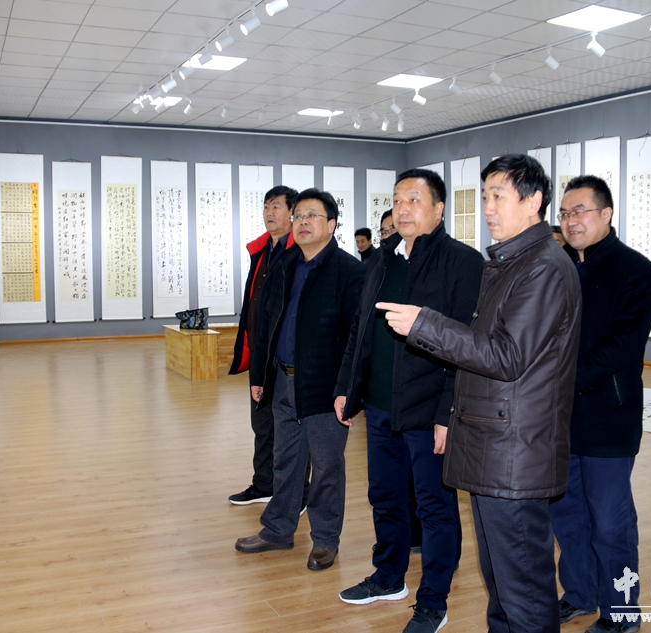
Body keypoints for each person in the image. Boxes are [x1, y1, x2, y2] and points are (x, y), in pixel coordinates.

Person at [379, 154, 581, 633]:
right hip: (498, 445)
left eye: (499, 196)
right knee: (502, 588)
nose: (488, 208)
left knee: (523, 591)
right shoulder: (513, 261)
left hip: (515, 452)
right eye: (485, 195)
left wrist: (426, 325)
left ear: (533, 201)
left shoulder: (542, 268)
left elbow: (506, 357)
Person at [335, 169, 483, 633]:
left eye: (414, 200)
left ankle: (433, 601)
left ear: (439, 209)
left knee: (435, 508)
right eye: (398, 200)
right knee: (385, 496)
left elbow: (466, 344)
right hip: (380, 405)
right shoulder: (382, 259)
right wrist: (346, 387)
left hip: (428, 409)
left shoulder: (462, 262)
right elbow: (360, 329)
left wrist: (448, 414)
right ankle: (388, 577)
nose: (403, 208)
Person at [550, 175, 651, 633]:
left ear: (607, 213)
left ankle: (622, 611)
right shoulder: (560, 268)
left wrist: (559, 381)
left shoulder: (634, 269)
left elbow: (622, 346)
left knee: (611, 524)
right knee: (567, 516)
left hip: (607, 418)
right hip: (559, 421)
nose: (571, 221)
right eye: (565, 213)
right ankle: (580, 595)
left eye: (581, 211)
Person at [236, 189, 365, 571]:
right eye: (299, 216)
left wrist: (347, 390)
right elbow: (267, 324)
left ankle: (325, 540)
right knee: (285, 460)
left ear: (332, 225)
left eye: (313, 215)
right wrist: (260, 374)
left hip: (324, 387)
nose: (303, 222)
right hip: (282, 379)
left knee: (326, 467)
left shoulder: (348, 271)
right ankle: (278, 529)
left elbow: (356, 338)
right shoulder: (285, 265)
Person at [228, 186, 298, 505]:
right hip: (260, 352)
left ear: (292, 213)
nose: (270, 212)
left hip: (284, 355)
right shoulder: (261, 251)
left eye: (277, 206)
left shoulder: (299, 253)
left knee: (289, 428)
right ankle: (264, 483)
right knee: (262, 423)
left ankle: (294, 492)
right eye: (266, 206)